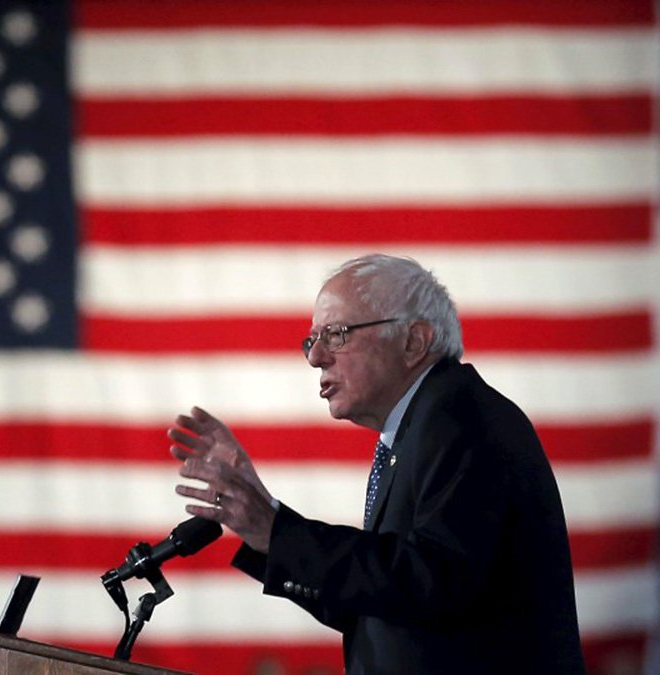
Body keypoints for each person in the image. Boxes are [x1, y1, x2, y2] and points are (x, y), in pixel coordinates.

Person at [169, 254, 586, 674]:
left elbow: (433, 583)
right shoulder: (422, 425)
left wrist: (278, 533)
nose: (316, 357)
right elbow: (381, 603)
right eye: (312, 340)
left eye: (335, 334)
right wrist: (268, 525)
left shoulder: (460, 417)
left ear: (413, 341)